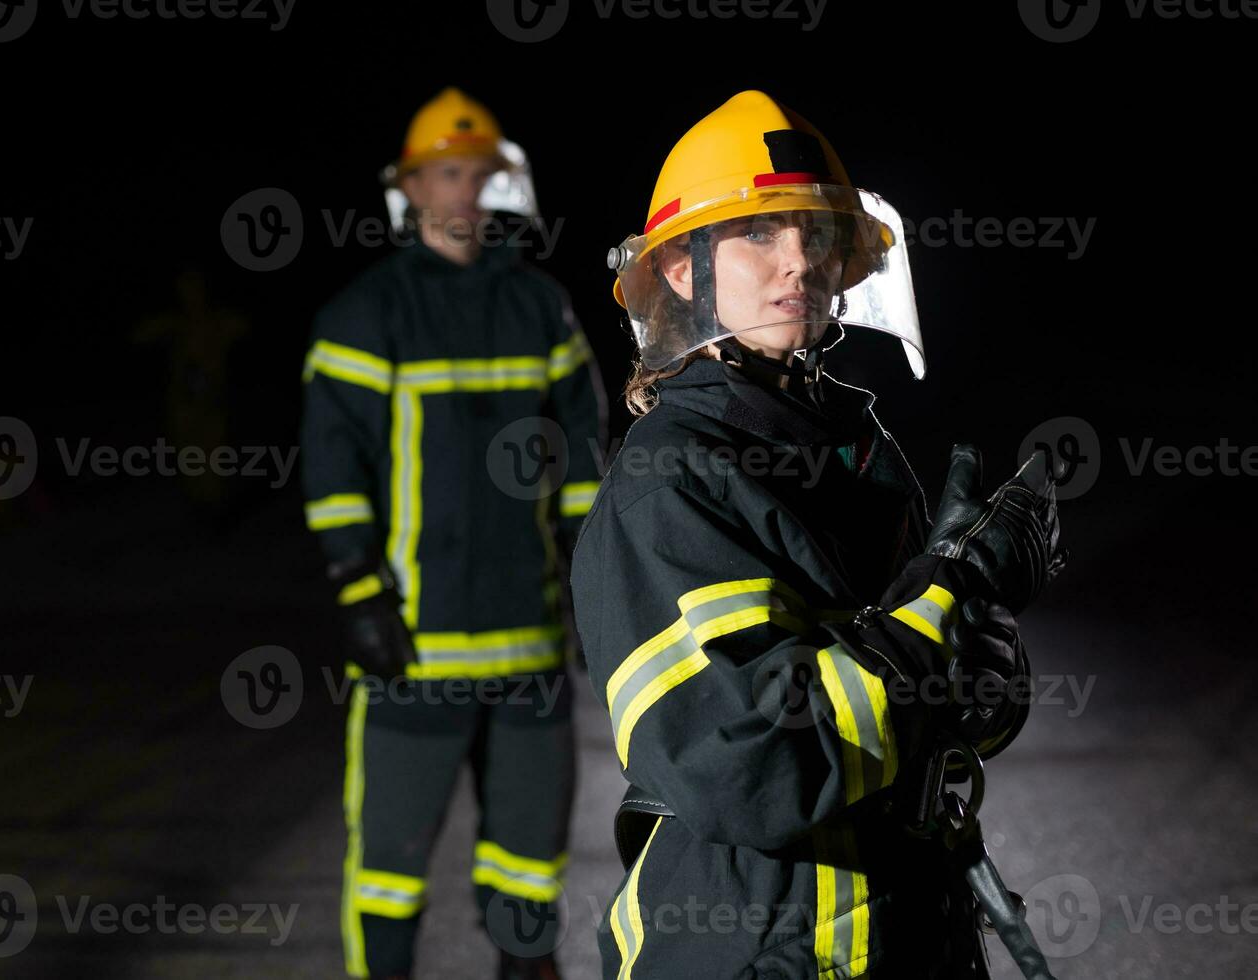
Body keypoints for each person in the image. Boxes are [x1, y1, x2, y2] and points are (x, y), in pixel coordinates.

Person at [571, 90, 1065, 978]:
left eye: (814, 234)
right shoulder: (671, 479)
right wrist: (947, 600)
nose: (797, 261)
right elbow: (758, 766)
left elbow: (924, 710)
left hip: (909, 925)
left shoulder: (849, 446)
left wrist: (986, 672)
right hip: (762, 945)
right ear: (682, 270)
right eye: (758, 233)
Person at [299, 86, 608, 979]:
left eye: (479, 175)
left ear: (503, 185)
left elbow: (585, 462)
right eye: (446, 175)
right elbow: (332, 468)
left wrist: (598, 596)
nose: (463, 192)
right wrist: (357, 588)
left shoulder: (541, 308)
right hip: (412, 656)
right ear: (410, 187)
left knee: (529, 872)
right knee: (387, 876)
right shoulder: (364, 314)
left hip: (528, 656)